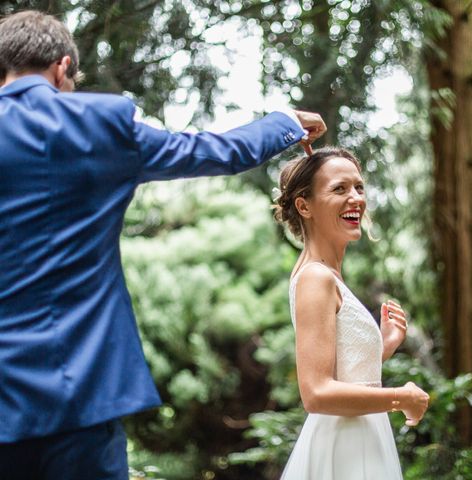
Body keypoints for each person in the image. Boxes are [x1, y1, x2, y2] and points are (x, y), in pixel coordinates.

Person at [0, 10, 326, 480]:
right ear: (61, 67)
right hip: (82, 392)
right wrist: (282, 123)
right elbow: (212, 151)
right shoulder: (101, 125)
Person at [273, 147, 430, 479]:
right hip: (344, 446)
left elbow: (341, 372)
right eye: (339, 189)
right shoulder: (316, 277)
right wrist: (402, 397)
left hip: (361, 437)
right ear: (304, 206)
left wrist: (381, 346)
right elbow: (316, 393)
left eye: (359, 187)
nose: (356, 198)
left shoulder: (324, 274)